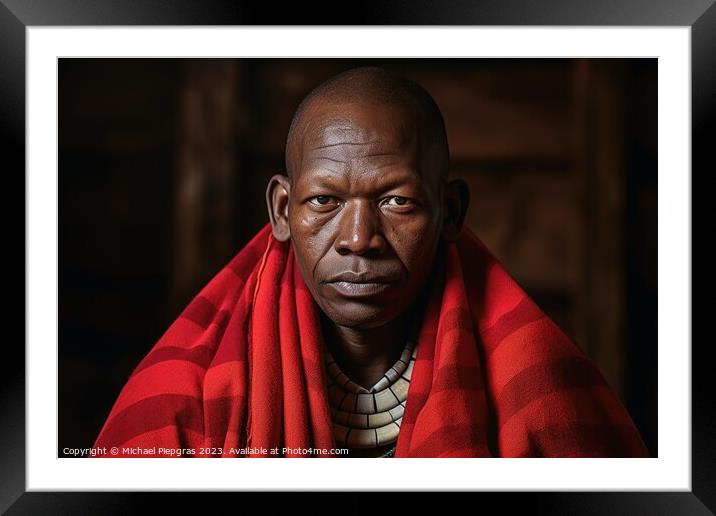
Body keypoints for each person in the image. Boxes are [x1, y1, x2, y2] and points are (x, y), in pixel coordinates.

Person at [94, 67, 649, 458]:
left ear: (449, 212)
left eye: (396, 202)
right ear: (282, 211)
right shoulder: (183, 403)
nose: (359, 239)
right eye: (324, 202)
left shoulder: (539, 388)